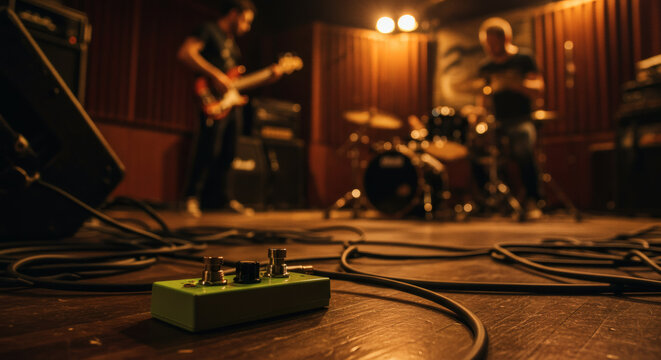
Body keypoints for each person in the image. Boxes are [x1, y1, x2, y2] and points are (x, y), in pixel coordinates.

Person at [178, 0, 280, 217]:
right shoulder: (209, 30)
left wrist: (269, 77)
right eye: (246, 20)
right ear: (234, 14)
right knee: (207, 148)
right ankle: (191, 197)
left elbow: (237, 82)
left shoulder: (233, 45)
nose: (248, 27)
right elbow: (186, 53)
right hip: (212, 100)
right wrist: (216, 75)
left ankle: (221, 200)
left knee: (229, 152)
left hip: (231, 103)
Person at [472, 17, 545, 219]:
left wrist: (513, 84)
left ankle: (532, 199)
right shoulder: (486, 66)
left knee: (523, 146)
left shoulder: (523, 59)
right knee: (474, 147)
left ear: (506, 39)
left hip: (522, 118)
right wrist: (478, 117)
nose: (491, 47)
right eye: (488, 44)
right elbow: (482, 96)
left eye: (494, 42)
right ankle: (488, 199)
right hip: (497, 121)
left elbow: (539, 88)